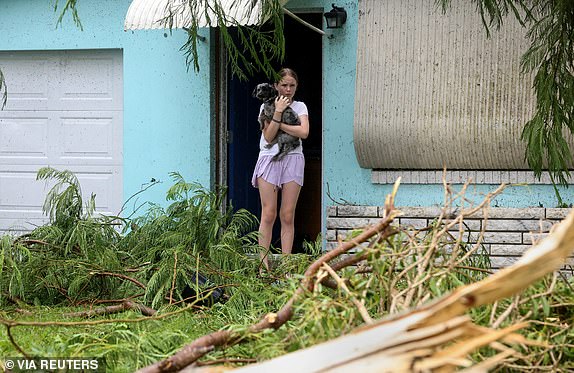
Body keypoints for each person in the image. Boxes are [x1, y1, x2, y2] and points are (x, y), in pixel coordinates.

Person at [251, 68, 309, 272]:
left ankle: (286, 265)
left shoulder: (300, 106)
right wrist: (278, 112)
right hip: (269, 157)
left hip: (293, 158)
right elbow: (268, 137)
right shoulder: (265, 106)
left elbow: (303, 131)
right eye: (284, 85)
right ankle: (262, 265)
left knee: (287, 214)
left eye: (292, 85)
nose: (288, 89)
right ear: (275, 86)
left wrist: (281, 125)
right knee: (268, 213)